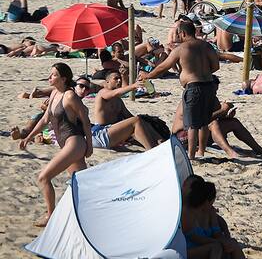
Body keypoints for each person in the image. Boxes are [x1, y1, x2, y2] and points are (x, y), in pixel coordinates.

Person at [20, 63, 92, 225]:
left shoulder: (69, 96)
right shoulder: (54, 93)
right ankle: (93, 213)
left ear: (63, 78)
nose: (49, 77)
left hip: (75, 142)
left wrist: (90, 145)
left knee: (43, 177)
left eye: (53, 75)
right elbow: (45, 120)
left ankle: (50, 216)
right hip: (66, 144)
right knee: (80, 183)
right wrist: (28, 137)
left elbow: (86, 120)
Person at [140, 18, 220, 160]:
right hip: (208, 85)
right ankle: (201, 151)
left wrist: (148, 75)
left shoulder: (181, 49)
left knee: (192, 124)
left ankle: (191, 155)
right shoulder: (206, 46)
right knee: (204, 122)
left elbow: (163, 67)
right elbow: (216, 66)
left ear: (182, 33)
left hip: (193, 87)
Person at [90, 69, 164, 151]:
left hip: (111, 133)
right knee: (136, 121)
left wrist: (146, 124)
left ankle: (161, 142)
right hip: (99, 134)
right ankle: (152, 150)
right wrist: (133, 86)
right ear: (107, 82)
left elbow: (129, 117)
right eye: (116, 79)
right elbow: (114, 93)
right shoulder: (103, 92)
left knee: (141, 120)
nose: (119, 81)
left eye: (120, 79)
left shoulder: (118, 101)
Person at [181, 175, 245, 259]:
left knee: (232, 244)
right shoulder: (184, 211)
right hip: (190, 249)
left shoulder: (209, 211)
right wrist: (220, 242)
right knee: (216, 247)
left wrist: (225, 238)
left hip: (205, 246)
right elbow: (194, 238)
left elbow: (218, 227)